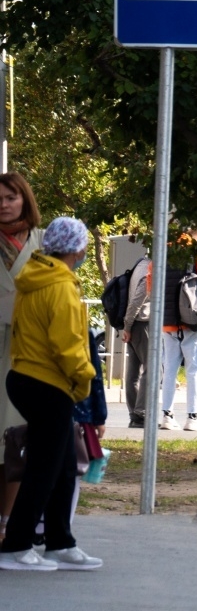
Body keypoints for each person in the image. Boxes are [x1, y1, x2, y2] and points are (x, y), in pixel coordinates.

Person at [0, 216, 102, 570]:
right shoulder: (60, 285)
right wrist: (85, 378)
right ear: (78, 249)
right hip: (48, 383)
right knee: (45, 469)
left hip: (30, 378)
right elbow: (68, 344)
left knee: (60, 467)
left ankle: (59, 542)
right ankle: (16, 546)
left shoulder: (37, 277)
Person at [0, 173, 42, 518]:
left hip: (29, 352)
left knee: (17, 439)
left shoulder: (42, 242)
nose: (4, 205)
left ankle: (9, 522)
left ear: (24, 199)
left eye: (10, 198)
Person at [159, 233, 197, 432]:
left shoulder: (161, 248)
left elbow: (151, 280)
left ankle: (167, 415)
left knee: (169, 370)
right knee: (195, 370)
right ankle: (193, 417)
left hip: (168, 322)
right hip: (192, 320)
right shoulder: (196, 251)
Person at [119, 254, 154, 427]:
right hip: (142, 323)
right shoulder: (151, 269)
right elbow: (137, 299)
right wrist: (127, 325)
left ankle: (134, 415)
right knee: (154, 369)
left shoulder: (140, 263)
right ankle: (140, 413)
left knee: (133, 372)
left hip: (135, 324)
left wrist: (127, 326)